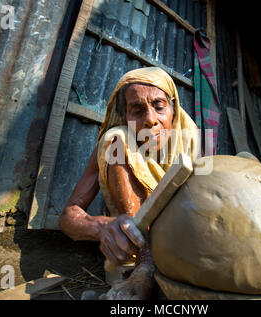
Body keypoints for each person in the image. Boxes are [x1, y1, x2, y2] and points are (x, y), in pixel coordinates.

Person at [59, 67, 200, 299]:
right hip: (128, 259)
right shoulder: (114, 145)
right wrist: (102, 226)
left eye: (159, 106)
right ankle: (144, 264)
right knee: (115, 140)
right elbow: (67, 217)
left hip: (182, 246)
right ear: (124, 116)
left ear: (172, 108)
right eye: (137, 110)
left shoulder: (194, 138)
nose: (150, 120)